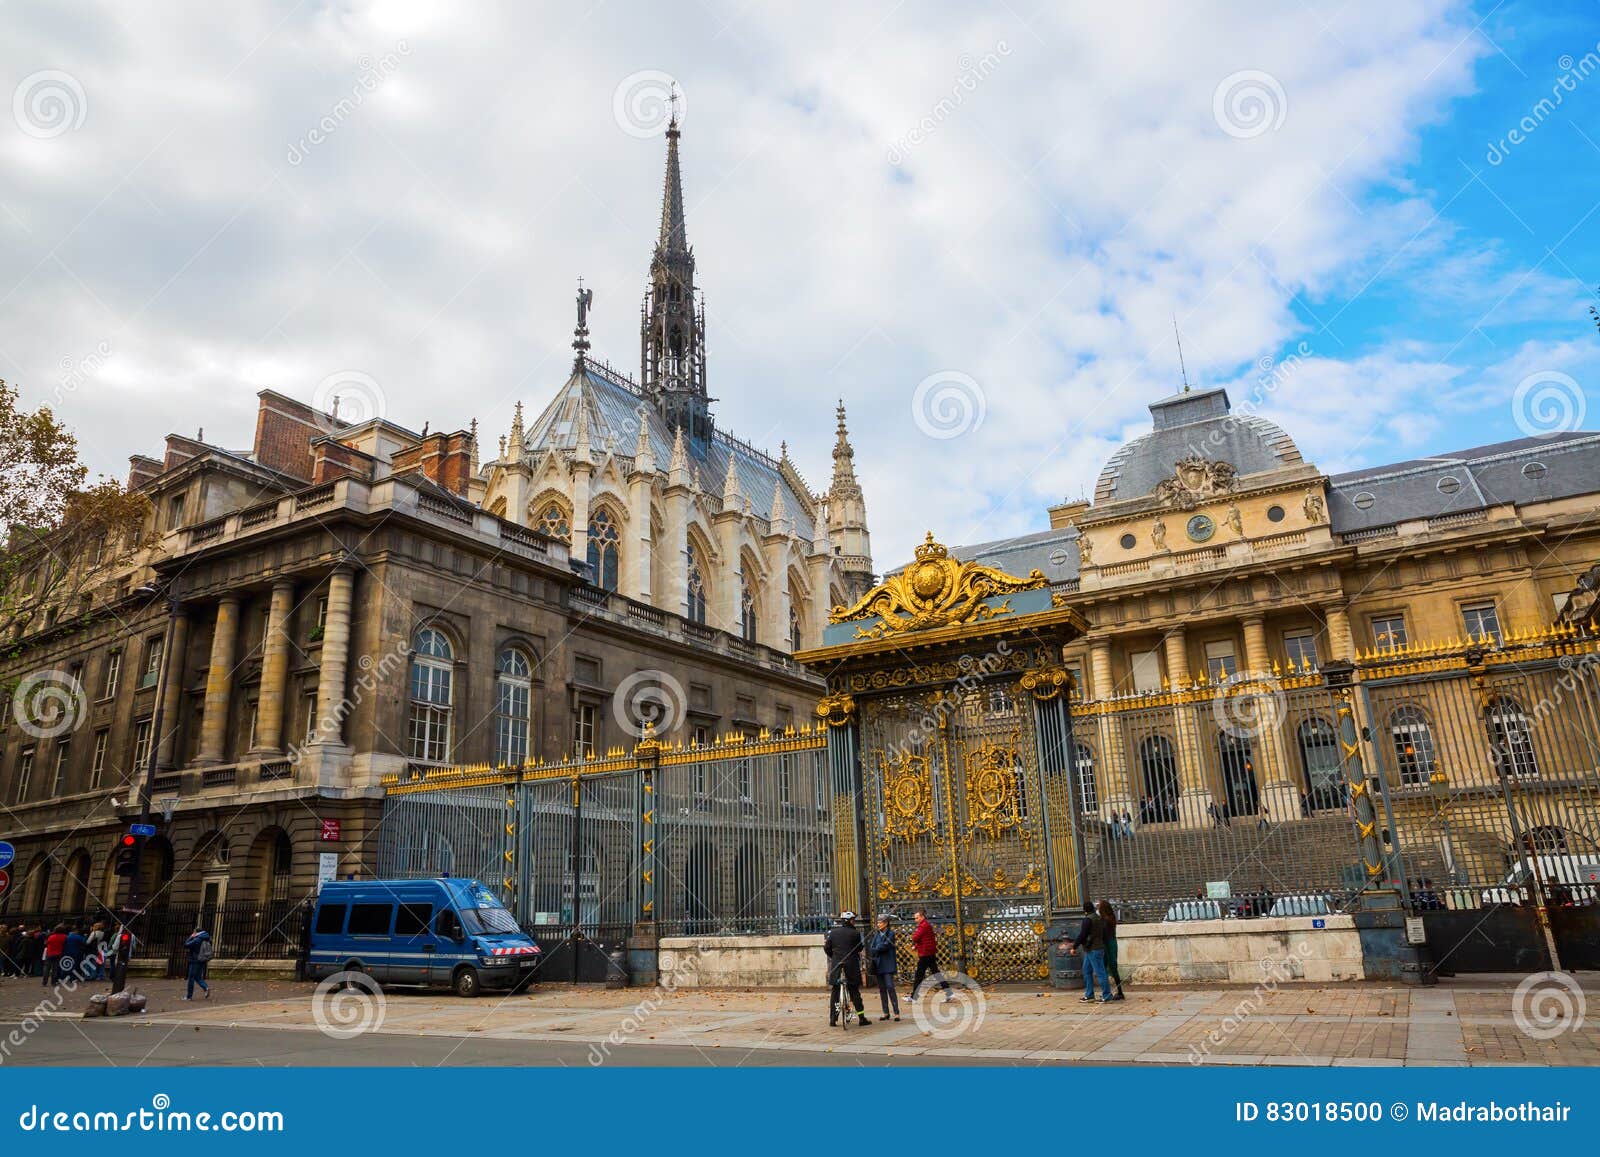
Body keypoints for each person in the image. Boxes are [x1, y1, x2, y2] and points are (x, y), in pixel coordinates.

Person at [823, 911, 868, 1025]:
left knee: (835, 992)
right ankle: (862, 1018)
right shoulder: (855, 933)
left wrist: (834, 957)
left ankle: (833, 1019)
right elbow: (859, 948)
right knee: (854, 991)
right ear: (851, 921)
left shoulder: (833, 933)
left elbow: (827, 948)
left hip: (837, 964)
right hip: (851, 965)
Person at [1067, 900, 1112, 1003]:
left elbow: (1082, 934)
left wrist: (1074, 947)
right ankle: (1089, 994)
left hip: (1093, 949)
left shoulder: (1088, 920)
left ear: (1084, 910)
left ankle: (1107, 995)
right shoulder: (1098, 918)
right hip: (1093, 949)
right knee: (1086, 971)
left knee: (1100, 973)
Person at [908, 908, 952, 1002]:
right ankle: (949, 993)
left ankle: (914, 997)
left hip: (925, 954)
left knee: (919, 976)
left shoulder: (923, 926)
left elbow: (915, 937)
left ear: (922, 917)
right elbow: (924, 939)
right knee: (936, 974)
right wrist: (915, 947)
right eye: (915, 918)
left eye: (917, 918)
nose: (915, 920)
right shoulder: (926, 925)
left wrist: (913, 939)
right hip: (929, 953)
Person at [868, 915, 900, 1021]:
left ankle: (896, 1013)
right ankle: (885, 1012)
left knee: (890, 987)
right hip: (878, 965)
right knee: (882, 989)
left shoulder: (890, 933)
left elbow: (886, 945)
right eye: (878, 922)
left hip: (888, 965)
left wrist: (877, 948)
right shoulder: (876, 935)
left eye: (880, 922)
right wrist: (877, 948)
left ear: (886, 923)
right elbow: (871, 947)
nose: (878, 924)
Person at [1098, 900, 1125, 1001]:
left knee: (1107, 967)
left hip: (1107, 944)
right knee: (1112, 968)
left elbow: (1103, 934)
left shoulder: (1105, 921)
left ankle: (1111, 992)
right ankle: (1117, 991)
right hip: (1112, 942)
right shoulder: (1111, 918)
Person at [183, 925, 213, 1000]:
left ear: (196, 932)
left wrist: (191, 937)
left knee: (191, 978)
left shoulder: (197, 939)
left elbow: (186, 944)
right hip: (202, 959)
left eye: (194, 932)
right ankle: (205, 987)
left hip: (195, 960)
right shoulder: (207, 938)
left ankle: (189, 996)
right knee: (198, 977)